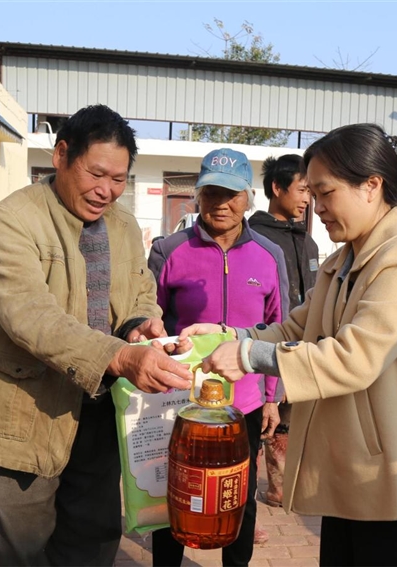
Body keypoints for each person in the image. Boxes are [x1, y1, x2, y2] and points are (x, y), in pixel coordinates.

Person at [180, 124, 397, 566]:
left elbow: (355, 357)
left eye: (325, 193)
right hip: (357, 470)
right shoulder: (344, 260)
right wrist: (229, 336)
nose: (315, 208)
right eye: (312, 194)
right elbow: (296, 329)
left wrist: (247, 357)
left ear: (371, 186)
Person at [0, 104, 194, 567]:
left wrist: (141, 324)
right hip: (23, 414)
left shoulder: (123, 225)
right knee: (20, 553)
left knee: (92, 541)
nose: (107, 190)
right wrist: (119, 357)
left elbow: (140, 292)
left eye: (119, 179)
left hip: (99, 414)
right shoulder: (12, 220)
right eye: (96, 173)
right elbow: (30, 316)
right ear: (61, 155)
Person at [147, 148, 289, 567]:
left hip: (243, 402)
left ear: (248, 197)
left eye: (231, 194)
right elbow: (150, 320)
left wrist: (272, 398)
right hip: (180, 398)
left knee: (239, 495)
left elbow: (279, 327)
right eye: (211, 192)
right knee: (175, 489)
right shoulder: (169, 250)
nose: (221, 203)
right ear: (198, 195)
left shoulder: (269, 255)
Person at [248, 154, 319, 507]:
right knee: (257, 424)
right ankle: (245, 500)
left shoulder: (308, 242)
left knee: (287, 424)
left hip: (301, 350)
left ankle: (279, 488)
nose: (307, 199)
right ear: (277, 188)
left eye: (311, 192)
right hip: (263, 346)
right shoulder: (254, 238)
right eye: (302, 189)